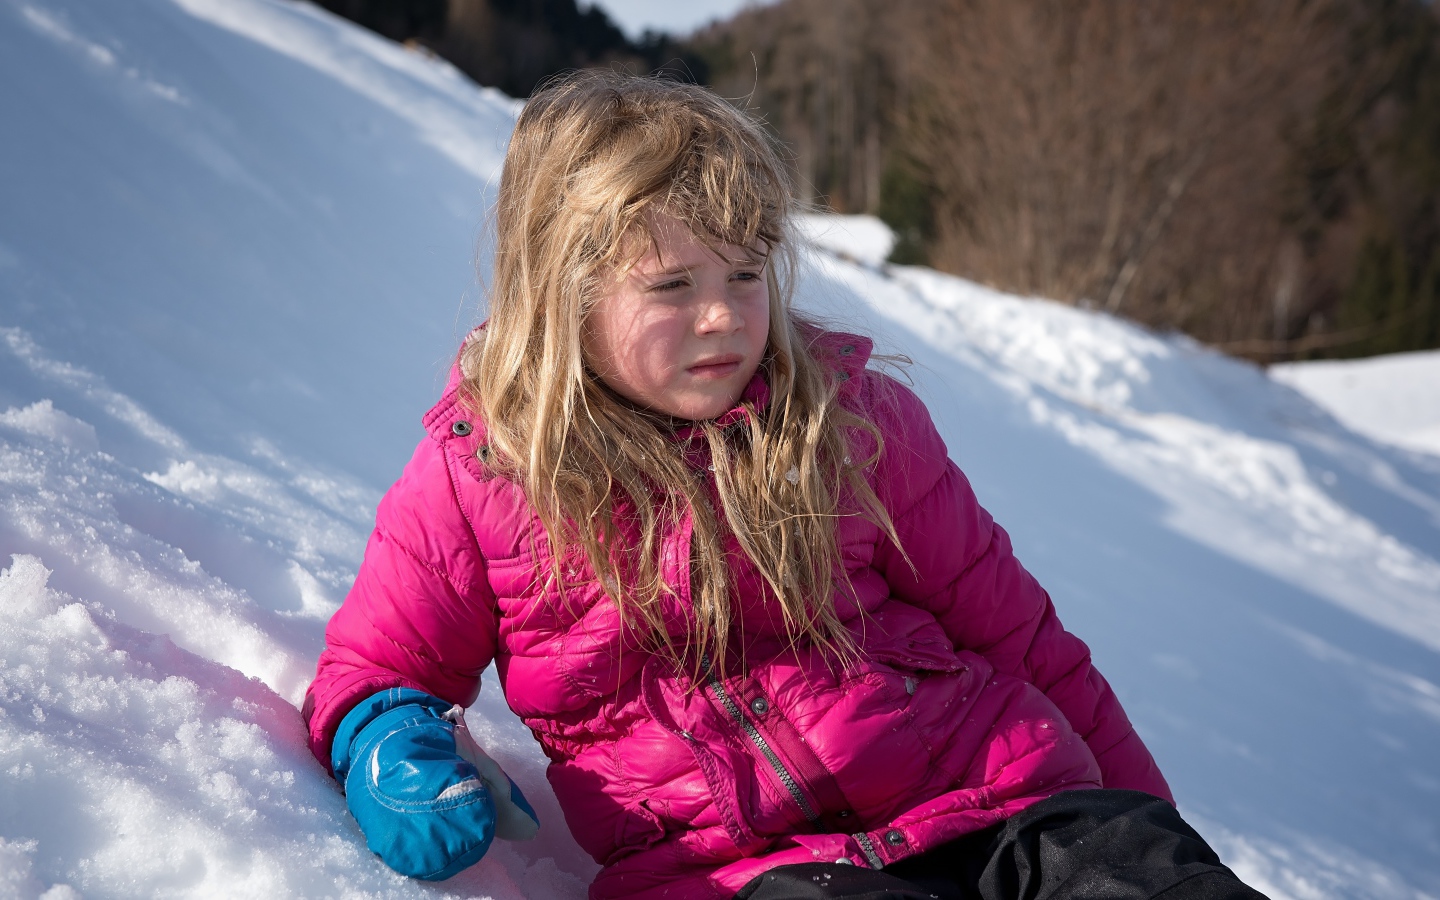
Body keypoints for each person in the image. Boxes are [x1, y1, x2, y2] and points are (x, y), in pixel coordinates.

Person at [302, 70, 1265, 900]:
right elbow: (378, 666)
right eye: (672, 286)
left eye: (747, 273)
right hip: (740, 872)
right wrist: (390, 744)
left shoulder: (851, 424)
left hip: (1004, 799)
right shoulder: (488, 475)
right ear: (565, 290)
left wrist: (1147, 818)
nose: (723, 315)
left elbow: (1018, 634)